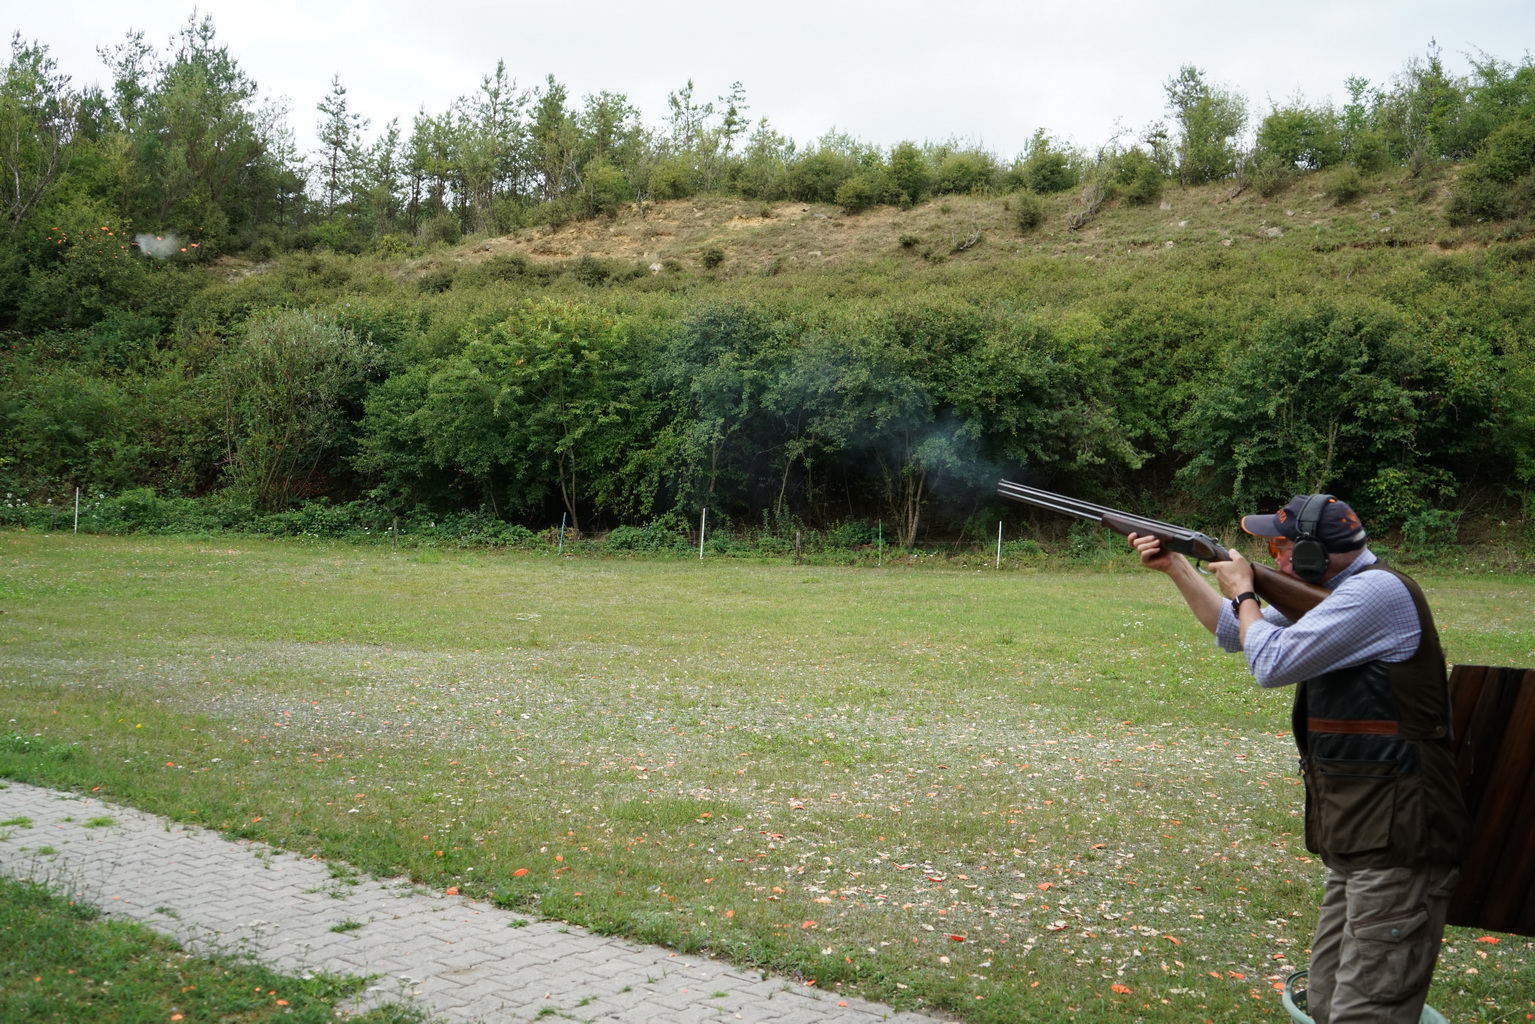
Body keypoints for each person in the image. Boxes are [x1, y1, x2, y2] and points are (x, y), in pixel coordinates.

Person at [1128, 493, 1467, 1024]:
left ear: (1313, 557)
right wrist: (1177, 566)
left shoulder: (1374, 594)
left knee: (1366, 1008)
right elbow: (1233, 634)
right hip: (1360, 834)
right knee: (1329, 1002)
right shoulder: (1337, 592)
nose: (1271, 556)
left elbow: (1270, 661)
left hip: (1400, 839)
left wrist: (1245, 591)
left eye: (1280, 547)